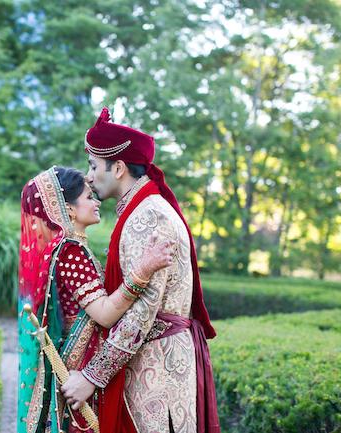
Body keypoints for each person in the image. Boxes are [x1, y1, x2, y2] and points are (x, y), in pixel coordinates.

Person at [61, 108, 220, 433]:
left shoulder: (146, 217)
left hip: (157, 369)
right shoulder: (146, 209)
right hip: (160, 362)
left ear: (118, 168)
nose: (88, 177)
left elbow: (141, 315)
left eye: (93, 166)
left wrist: (91, 377)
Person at [18, 166, 175, 433]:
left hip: (77, 361)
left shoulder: (68, 248)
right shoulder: (71, 251)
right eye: (89, 197)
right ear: (68, 208)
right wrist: (144, 270)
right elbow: (103, 313)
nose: (96, 201)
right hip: (79, 368)